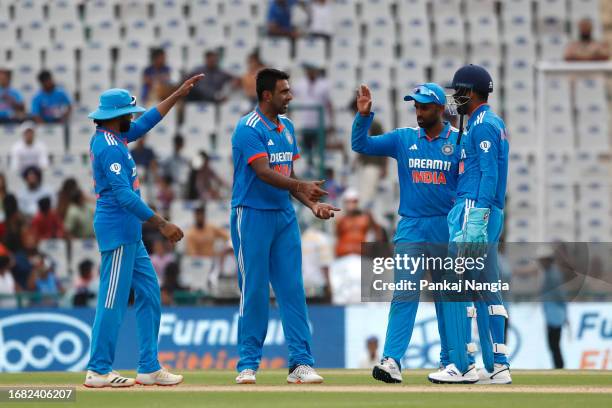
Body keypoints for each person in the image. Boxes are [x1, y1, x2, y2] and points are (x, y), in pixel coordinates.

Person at [83, 73, 204, 388]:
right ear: (118, 116)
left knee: (150, 293)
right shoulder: (108, 146)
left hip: (130, 234)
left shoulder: (116, 137)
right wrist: (162, 224)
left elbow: (147, 122)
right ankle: (98, 369)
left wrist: (176, 95)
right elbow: (124, 196)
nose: (132, 119)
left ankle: (149, 367)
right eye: (129, 114)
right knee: (112, 301)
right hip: (118, 231)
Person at [230, 68, 339, 384]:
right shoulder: (247, 128)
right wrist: (302, 185)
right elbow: (264, 172)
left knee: (293, 290)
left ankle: (301, 364)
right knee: (254, 292)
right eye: (284, 92)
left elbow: (288, 178)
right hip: (250, 215)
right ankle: (248, 364)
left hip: (283, 215)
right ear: (266, 95)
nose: (290, 96)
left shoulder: (287, 127)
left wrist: (312, 204)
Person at [352, 83, 460, 383]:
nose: (419, 112)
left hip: (445, 227)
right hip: (411, 226)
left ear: (440, 109)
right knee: (404, 293)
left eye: (424, 107)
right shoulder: (404, 138)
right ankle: (392, 360)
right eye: (416, 106)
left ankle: (451, 360)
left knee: (446, 298)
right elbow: (362, 146)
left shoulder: (459, 141)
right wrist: (363, 117)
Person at [428, 64, 511, 385]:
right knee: (489, 286)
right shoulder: (485, 122)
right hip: (480, 209)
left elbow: (489, 173)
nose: (455, 98)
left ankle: (463, 365)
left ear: (471, 92)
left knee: (455, 285)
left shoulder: (483, 125)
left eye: (458, 92)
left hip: (474, 209)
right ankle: (500, 365)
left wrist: (478, 215)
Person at [291, 63, 332, 164]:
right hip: (305, 123)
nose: (311, 72)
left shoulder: (324, 84)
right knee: (306, 151)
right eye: (309, 70)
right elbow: (288, 94)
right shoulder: (300, 84)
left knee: (320, 151)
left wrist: (331, 122)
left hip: (320, 124)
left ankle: (319, 172)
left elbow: (329, 103)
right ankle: (309, 168)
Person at [537, 245, 567, 369]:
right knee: (553, 344)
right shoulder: (550, 273)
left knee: (554, 343)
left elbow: (560, 296)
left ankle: (559, 366)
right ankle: (558, 365)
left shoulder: (553, 275)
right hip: (553, 314)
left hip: (555, 314)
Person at [335, 188, 383, 258]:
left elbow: (378, 232)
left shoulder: (366, 218)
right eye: (348, 201)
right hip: (344, 255)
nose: (351, 204)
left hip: (361, 255)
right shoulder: (340, 220)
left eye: (354, 201)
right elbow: (337, 237)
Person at [301, 221, 333, 303]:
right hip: (318, 285)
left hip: (302, 285)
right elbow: (325, 265)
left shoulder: (300, 238)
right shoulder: (321, 238)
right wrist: (329, 286)